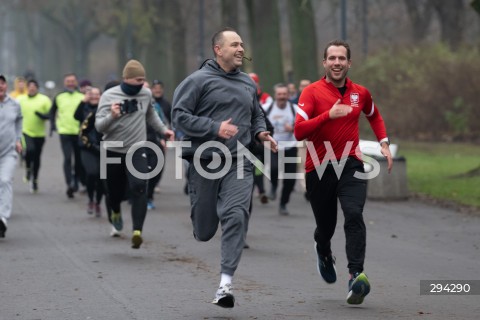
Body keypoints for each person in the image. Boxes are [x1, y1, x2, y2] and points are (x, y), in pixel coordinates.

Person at [172, 27, 277, 308]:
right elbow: (179, 117)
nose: (241, 49)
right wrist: (214, 127)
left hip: (239, 161)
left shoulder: (247, 83)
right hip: (205, 161)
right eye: (234, 45)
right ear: (218, 49)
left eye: (242, 44)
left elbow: (256, 114)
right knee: (205, 230)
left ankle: (225, 285)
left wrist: (260, 133)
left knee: (237, 215)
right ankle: (202, 216)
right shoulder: (197, 81)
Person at [294, 39, 393, 305]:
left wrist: (383, 142)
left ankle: (355, 275)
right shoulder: (311, 93)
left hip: (351, 163)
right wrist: (329, 115)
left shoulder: (361, 92)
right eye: (332, 58)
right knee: (325, 227)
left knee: (354, 214)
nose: (337, 63)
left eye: (342, 59)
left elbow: (374, 115)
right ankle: (323, 251)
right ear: (324, 63)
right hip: (319, 166)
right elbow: (299, 131)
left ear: (349, 63)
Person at [95, 59, 174, 248]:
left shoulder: (145, 94)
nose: (141, 84)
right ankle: (115, 211)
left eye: (143, 80)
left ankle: (137, 231)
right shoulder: (109, 95)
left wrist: (164, 130)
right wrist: (112, 116)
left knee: (140, 186)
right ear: (126, 79)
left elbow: (151, 115)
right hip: (112, 149)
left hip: (137, 149)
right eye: (138, 80)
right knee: (113, 192)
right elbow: (99, 126)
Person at [265, 83, 299, 216]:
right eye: (279, 94)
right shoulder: (267, 108)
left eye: (284, 94)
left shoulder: (294, 109)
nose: (282, 97)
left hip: (290, 145)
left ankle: (283, 203)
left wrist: (293, 128)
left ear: (288, 95)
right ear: (275, 95)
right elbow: (258, 122)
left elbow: (304, 124)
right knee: (273, 168)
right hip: (273, 145)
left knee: (290, 179)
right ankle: (273, 185)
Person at [50, 73, 85, 198]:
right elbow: (52, 111)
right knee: (67, 158)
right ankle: (69, 183)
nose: (70, 83)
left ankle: (76, 180)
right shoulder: (59, 96)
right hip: (64, 132)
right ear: (64, 82)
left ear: (76, 82)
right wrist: (52, 125)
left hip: (79, 133)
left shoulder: (82, 96)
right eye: (68, 81)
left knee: (79, 160)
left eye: (72, 81)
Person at [74, 87, 103, 217]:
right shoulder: (84, 108)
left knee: (102, 177)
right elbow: (76, 116)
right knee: (92, 173)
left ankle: (98, 202)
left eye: (97, 94)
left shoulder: (105, 108)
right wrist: (82, 101)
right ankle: (91, 199)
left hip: (102, 146)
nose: (94, 97)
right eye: (91, 94)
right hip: (86, 146)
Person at [18, 79, 52, 193]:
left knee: (37, 157)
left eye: (34, 86)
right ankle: (28, 169)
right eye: (30, 86)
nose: (32, 88)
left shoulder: (44, 100)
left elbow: (50, 114)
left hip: (39, 133)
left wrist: (43, 116)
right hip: (25, 131)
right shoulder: (20, 99)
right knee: (30, 150)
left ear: (37, 88)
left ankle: (35, 180)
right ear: (27, 88)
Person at [0, 74, 23, 238]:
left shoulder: (14, 104)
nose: (0, 86)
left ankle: (2, 218)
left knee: (5, 180)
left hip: (8, 152)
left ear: (6, 86)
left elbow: (19, 121)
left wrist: (17, 139)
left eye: (2, 83)